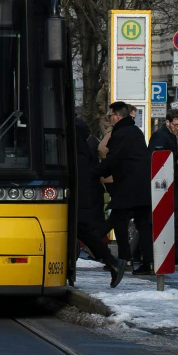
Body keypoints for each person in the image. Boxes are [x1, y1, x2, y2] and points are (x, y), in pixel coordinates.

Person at [72, 113, 126, 288]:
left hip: (78, 200)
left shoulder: (77, 155)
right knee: (82, 232)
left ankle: (112, 262)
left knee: (81, 231)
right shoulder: (84, 151)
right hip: (84, 199)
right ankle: (111, 262)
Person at [98, 100, 152, 274]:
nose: (110, 119)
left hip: (129, 187)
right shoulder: (135, 131)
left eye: (111, 116)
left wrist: (94, 173)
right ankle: (147, 263)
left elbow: (113, 158)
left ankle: (93, 245)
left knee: (115, 219)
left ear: (117, 116)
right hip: (142, 186)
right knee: (143, 224)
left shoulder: (121, 133)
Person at [150, 108, 178, 266]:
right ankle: (174, 254)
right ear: (168, 122)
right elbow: (158, 160)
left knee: (174, 218)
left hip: (171, 182)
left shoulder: (168, 136)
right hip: (165, 184)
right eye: (175, 125)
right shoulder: (161, 137)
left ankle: (175, 253)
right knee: (170, 218)